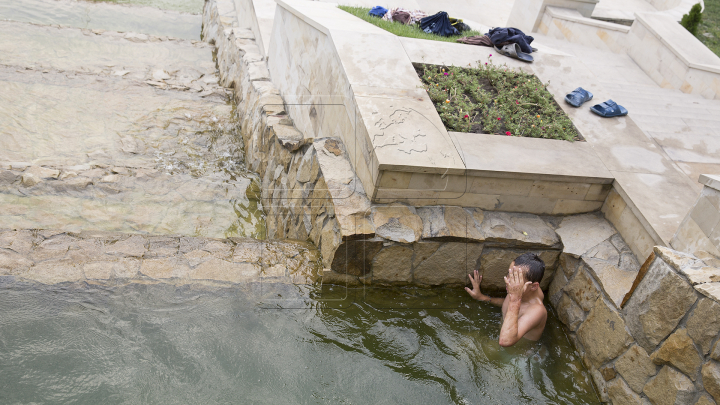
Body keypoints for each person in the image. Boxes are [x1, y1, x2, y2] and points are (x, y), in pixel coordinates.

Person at [465, 253, 547, 347]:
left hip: (515, 352)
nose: (507, 280)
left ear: (534, 286)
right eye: (509, 274)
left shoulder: (537, 311)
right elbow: (506, 302)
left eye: (515, 278)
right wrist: (483, 298)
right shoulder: (522, 289)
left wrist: (515, 299)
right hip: (502, 331)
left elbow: (505, 342)